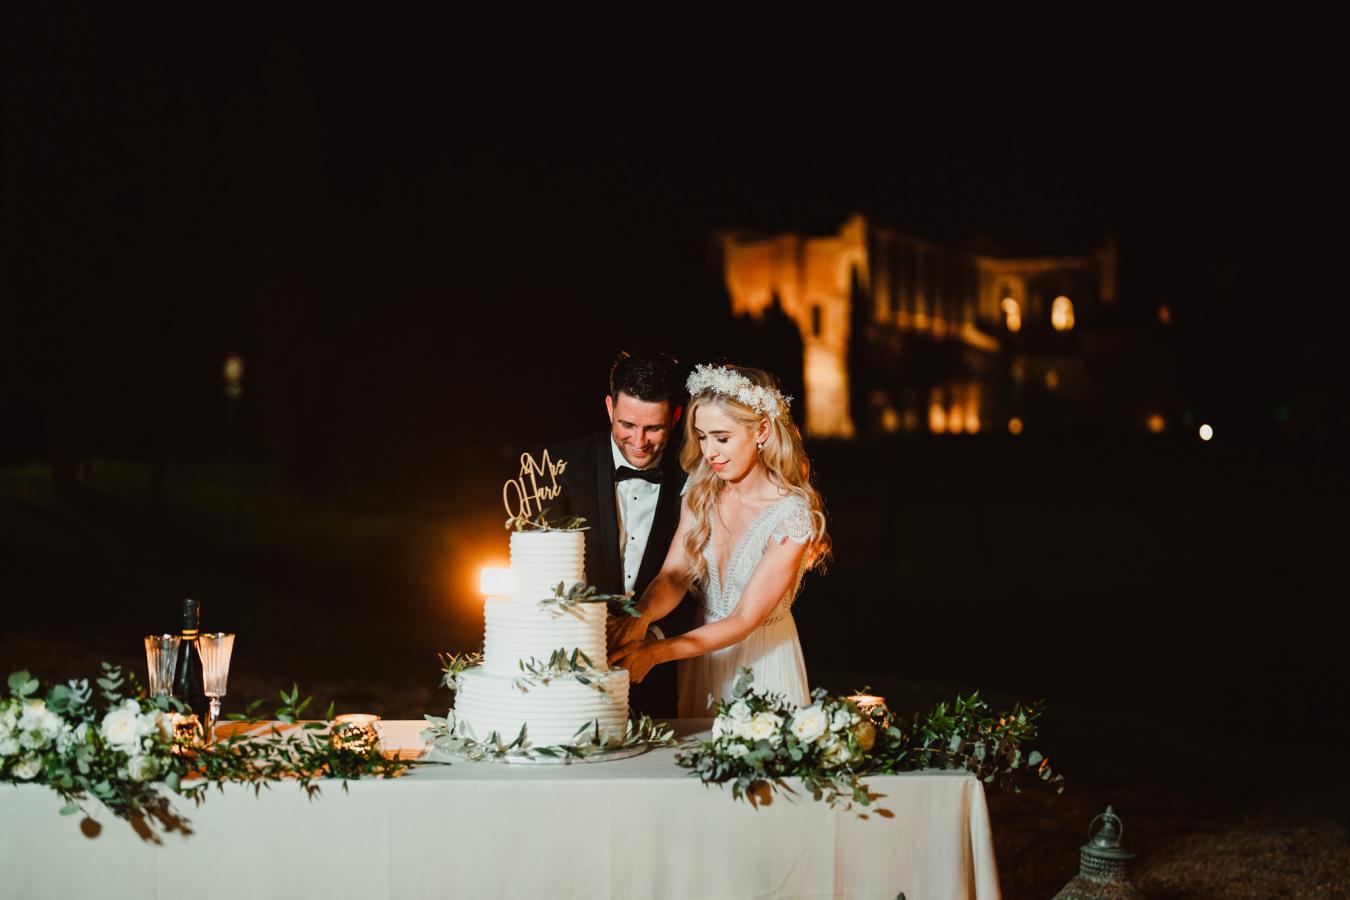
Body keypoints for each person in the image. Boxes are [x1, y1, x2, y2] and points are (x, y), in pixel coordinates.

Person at [609, 364, 829, 715]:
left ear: (761, 430)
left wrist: (654, 652)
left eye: (721, 437)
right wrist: (641, 617)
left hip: (762, 661)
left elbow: (743, 620)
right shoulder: (701, 490)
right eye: (701, 436)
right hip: (699, 657)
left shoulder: (791, 515)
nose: (709, 451)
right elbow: (675, 575)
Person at [542, 350, 693, 719]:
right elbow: (543, 568)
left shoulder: (696, 475)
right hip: (570, 672)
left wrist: (652, 639)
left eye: (654, 428)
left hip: (663, 672)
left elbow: (700, 578)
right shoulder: (558, 466)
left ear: (675, 416)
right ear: (610, 408)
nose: (639, 441)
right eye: (627, 424)